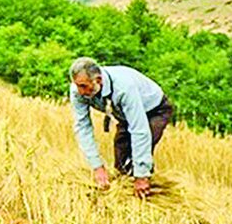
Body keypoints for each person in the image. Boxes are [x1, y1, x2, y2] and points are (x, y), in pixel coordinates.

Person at [69, 57, 175, 198]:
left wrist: (141, 175)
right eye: (77, 86)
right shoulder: (78, 91)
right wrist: (97, 166)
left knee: (135, 157)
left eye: (83, 86)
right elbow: (82, 127)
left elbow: (139, 130)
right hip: (124, 114)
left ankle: (147, 193)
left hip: (154, 110)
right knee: (121, 163)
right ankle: (126, 199)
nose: (80, 92)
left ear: (98, 80)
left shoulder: (124, 88)